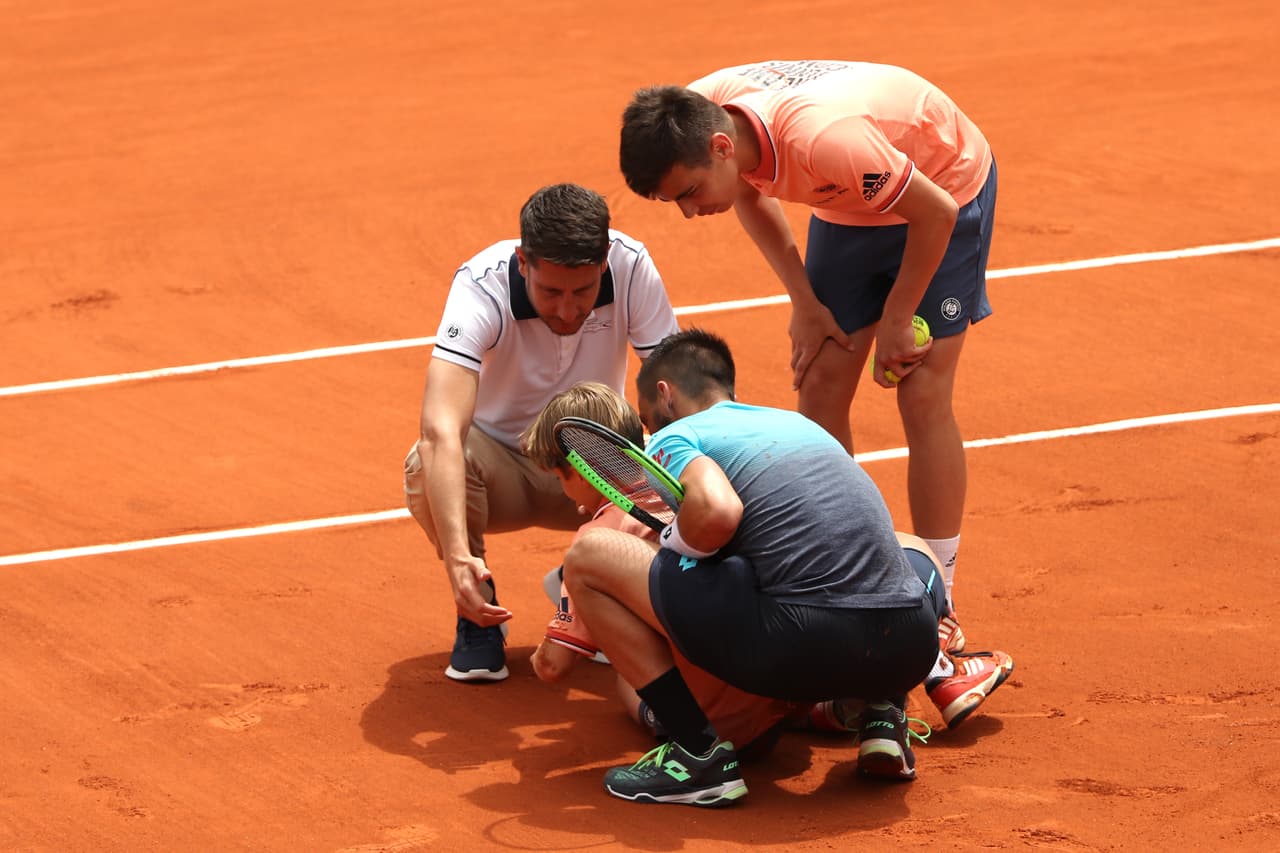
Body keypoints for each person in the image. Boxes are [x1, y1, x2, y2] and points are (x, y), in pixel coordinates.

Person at [618, 60, 1012, 726]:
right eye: (674, 202)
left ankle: (937, 606)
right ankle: (847, 581)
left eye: (688, 192)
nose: (688, 212)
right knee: (824, 375)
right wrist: (803, 300)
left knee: (920, 392)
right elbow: (748, 190)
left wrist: (897, 316)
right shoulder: (707, 115)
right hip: (853, 199)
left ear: (719, 148)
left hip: (941, 184)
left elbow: (933, 213)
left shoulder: (820, 141)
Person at [561, 329, 966, 807]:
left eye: (649, 422)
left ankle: (698, 755)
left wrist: (673, 539)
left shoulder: (677, 436)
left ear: (664, 396)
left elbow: (716, 514)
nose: (651, 436)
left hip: (797, 647)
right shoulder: (799, 426)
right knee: (911, 547)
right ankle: (883, 714)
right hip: (906, 646)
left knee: (586, 559)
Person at [403, 183, 679, 683]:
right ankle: (478, 611)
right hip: (498, 471)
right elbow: (439, 429)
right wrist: (458, 561)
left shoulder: (633, 266)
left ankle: (597, 585)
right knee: (429, 463)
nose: (569, 310)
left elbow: (672, 396)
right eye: (551, 292)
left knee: (677, 470)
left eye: (584, 292)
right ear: (522, 262)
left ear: (603, 264)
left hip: (590, 468)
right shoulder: (480, 285)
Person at [521, 381, 800, 759]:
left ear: (579, 468)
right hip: (783, 678)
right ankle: (831, 711)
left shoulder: (599, 535)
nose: (563, 491)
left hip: (725, 725)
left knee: (626, 679)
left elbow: (556, 666)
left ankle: (692, 742)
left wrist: (539, 656)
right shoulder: (695, 493)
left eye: (559, 479)